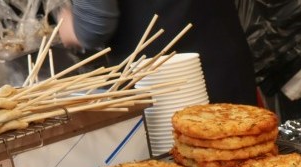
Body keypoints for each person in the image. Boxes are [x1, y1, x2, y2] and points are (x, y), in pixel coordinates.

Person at [56, 1, 257, 106]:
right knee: (246, 156)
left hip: (159, 79)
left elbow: (94, 25)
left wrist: (70, 28)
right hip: (222, 55)